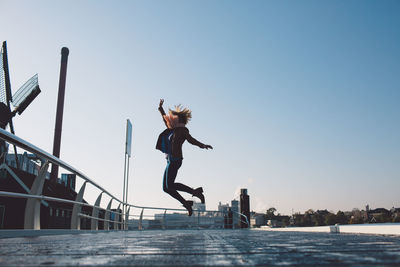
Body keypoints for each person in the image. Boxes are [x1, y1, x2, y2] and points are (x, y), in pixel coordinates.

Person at [156, 99, 213, 216]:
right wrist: (161, 108)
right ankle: (187, 204)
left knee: (170, 185)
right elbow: (164, 118)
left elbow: (191, 140)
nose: (171, 119)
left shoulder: (183, 130)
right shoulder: (172, 130)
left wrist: (202, 145)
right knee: (166, 188)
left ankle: (195, 192)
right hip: (169, 160)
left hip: (176, 160)